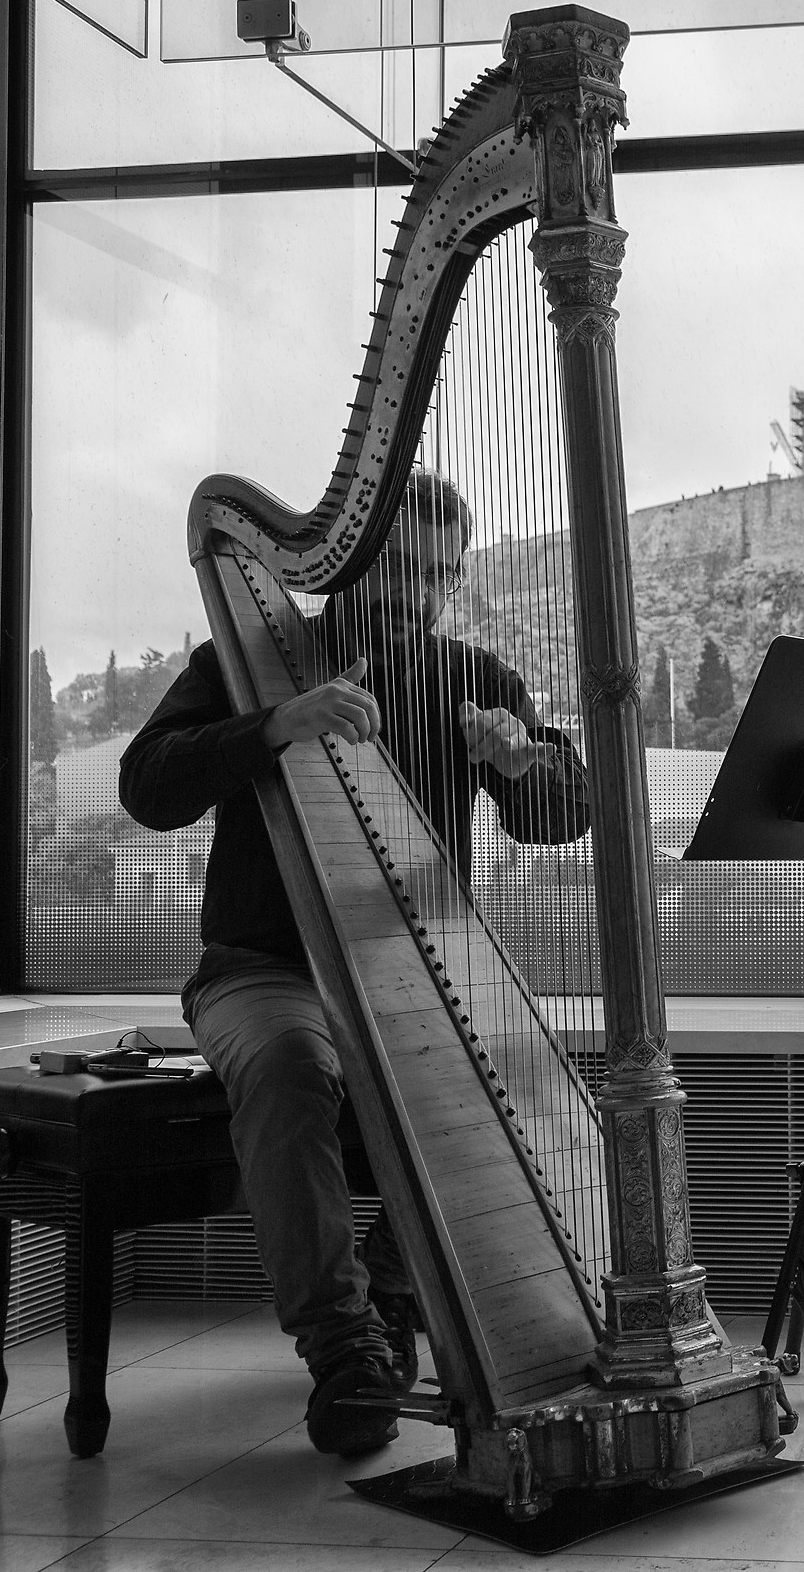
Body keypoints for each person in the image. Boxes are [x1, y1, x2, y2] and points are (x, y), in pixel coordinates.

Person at [120, 472, 592, 1454]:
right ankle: (344, 1346)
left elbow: (568, 809)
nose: (427, 596)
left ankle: (390, 1275)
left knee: (518, 1082)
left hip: (411, 978)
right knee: (295, 1065)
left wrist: (522, 764)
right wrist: (272, 728)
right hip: (262, 969)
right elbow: (146, 785)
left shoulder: (478, 676)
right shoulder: (245, 660)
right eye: (411, 571)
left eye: (445, 575)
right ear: (359, 563)